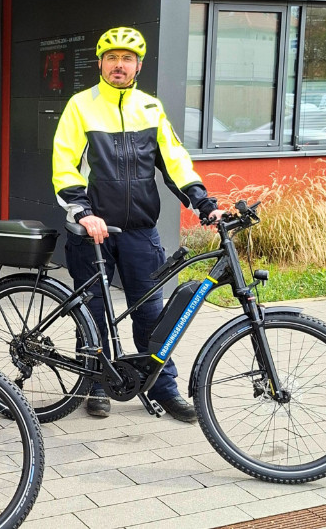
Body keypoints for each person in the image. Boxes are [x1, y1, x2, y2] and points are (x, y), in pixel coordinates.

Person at [52, 27, 226, 423]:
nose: (119, 64)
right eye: (112, 58)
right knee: (93, 312)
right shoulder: (81, 106)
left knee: (151, 314)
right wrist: (82, 211)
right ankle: (95, 385)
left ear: (138, 66)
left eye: (127, 59)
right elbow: (64, 165)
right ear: (100, 63)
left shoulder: (149, 107)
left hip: (140, 231)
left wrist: (203, 202)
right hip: (92, 232)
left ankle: (163, 389)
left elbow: (174, 160)